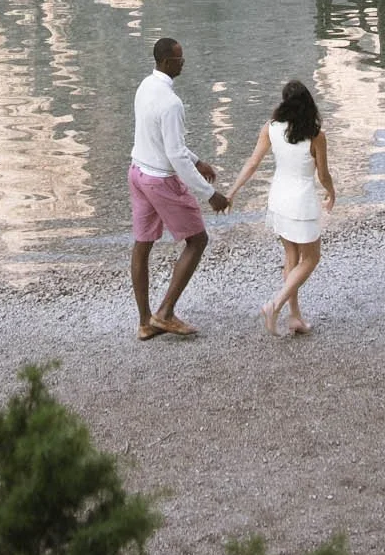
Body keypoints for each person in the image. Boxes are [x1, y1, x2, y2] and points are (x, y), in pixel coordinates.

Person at [129, 36, 230, 340]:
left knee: (142, 245)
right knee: (197, 241)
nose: (183, 63)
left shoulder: (145, 85)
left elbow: (162, 141)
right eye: (180, 59)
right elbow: (174, 155)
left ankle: (146, 321)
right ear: (167, 62)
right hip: (160, 180)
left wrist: (198, 161)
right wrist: (210, 194)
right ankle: (166, 313)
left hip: (137, 172)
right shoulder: (172, 103)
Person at [227, 78, 334, 336]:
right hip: (302, 203)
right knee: (311, 259)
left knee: (291, 258)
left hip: (278, 200)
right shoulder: (316, 136)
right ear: (309, 104)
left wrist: (232, 192)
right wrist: (332, 193)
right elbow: (323, 175)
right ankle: (275, 304)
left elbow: (252, 163)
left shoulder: (271, 128)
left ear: (285, 103)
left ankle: (295, 317)